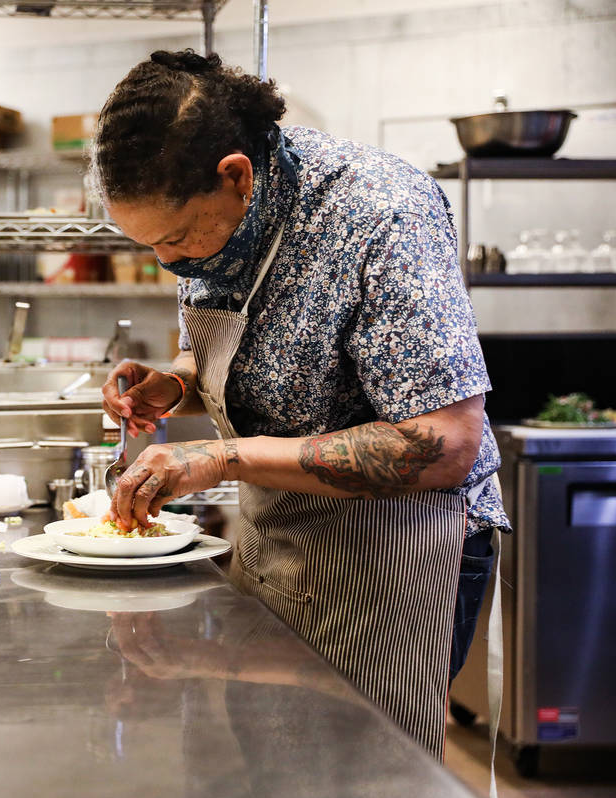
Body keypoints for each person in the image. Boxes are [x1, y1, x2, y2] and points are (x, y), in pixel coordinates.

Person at [93, 50, 508, 759]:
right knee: (280, 757)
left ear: (236, 176)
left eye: (175, 238)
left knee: (362, 765)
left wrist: (219, 457)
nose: (169, 262)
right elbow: (248, 355)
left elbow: (442, 442)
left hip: (396, 553)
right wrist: (176, 383)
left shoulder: (382, 214)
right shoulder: (215, 220)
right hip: (284, 538)